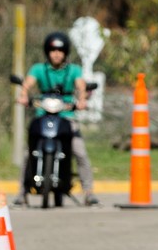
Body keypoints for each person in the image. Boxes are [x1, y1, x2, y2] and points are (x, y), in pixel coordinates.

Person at [13, 31, 99, 207]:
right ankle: (21, 192)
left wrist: (81, 100)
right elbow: (28, 83)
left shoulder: (74, 70)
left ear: (66, 52)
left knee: (80, 151)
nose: (56, 54)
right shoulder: (38, 69)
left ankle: (88, 192)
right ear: (47, 52)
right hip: (42, 115)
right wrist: (23, 95)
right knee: (27, 152)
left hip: (67, 116)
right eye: (53, 50)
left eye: (60, 50)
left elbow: (81, 85)